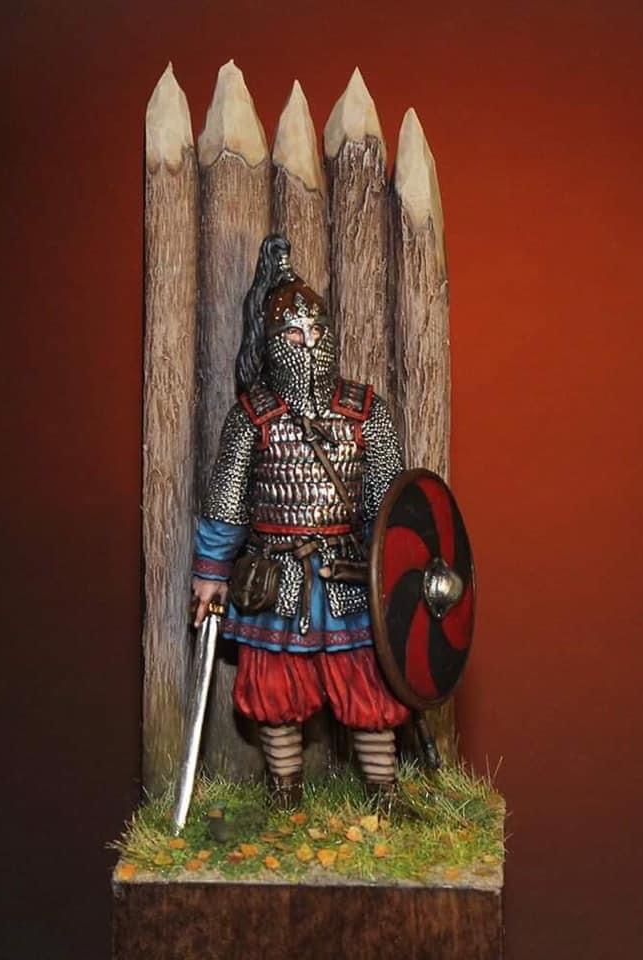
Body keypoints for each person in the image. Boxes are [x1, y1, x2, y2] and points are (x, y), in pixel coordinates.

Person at [192, 234, 409, 806]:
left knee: (368, 685)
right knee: (273, 693)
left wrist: (396, 572)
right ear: (274, 343)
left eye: (316, 332)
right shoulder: (252, 418)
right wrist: (210, 572)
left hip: (348, 578)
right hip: (274, 579)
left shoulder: (365, 412)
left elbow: (393, 507)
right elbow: (227, 503)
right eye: (293, 335)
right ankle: (285, 796)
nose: (308, 343)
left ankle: (383, 796)